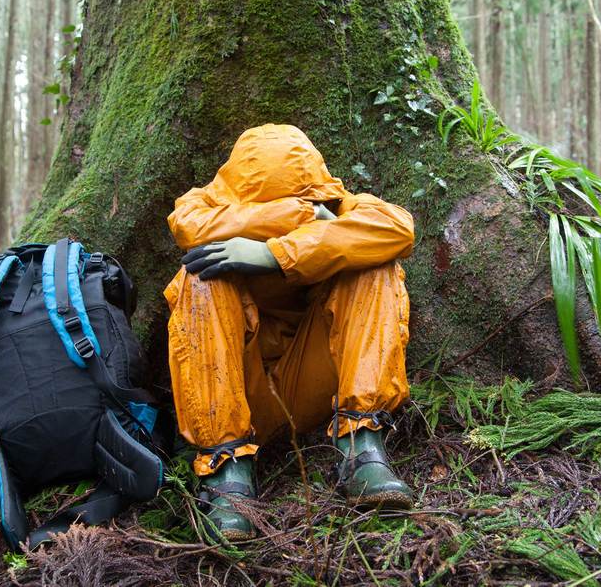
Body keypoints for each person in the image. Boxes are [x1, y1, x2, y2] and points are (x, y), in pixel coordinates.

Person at [165, 124, 416, 541]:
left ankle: (362, 448)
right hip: (239, 393)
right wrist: (298, 217)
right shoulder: (202, 205)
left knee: (376, 266)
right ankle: (226, 471)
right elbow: (190, 228)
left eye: (300, 200)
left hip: (316, 385)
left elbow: (398, 230)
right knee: (200, 279)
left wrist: (274, 252)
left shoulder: (347, 206)